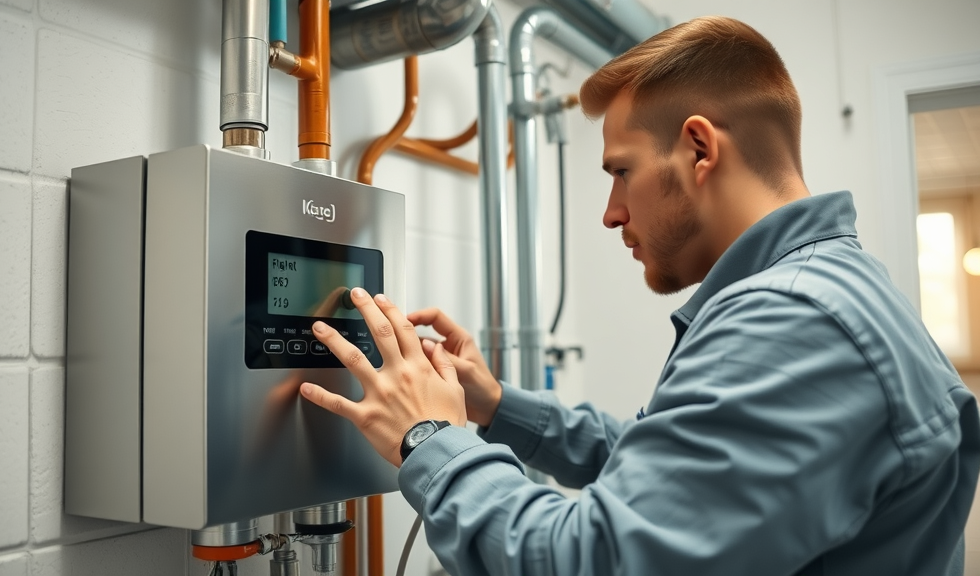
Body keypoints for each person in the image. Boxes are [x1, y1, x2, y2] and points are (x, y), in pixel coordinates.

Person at [299, 16, 980, 575]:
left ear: (699, 150)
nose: (611, 212)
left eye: (621, 172)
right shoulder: (824, 288)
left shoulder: (795, 321)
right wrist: (497, 406)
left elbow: (593, 561)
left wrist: (429, 440)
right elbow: (678, 466)